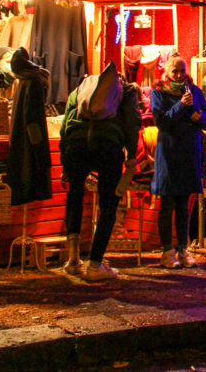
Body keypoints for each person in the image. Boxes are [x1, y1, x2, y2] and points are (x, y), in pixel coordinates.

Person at [60, 63, 142, 281]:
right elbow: (133, 123)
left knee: (74, 196)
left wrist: (64, 162)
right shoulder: (125, 91)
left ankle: (72, 260)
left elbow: (65, 124)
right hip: (107, 146)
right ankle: (95, 265)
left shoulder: (79, 90)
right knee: (108, 204)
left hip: (75, 145)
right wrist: (132, 156)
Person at [151, 56, 206, 269]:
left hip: (189, 153)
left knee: (184, 205)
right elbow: (161, 122)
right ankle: (167, 251)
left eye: (182, 71)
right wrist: (180, 106)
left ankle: (183, 249)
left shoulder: (195, 92)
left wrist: (199, 118)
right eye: (175, 71)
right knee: (167, 203)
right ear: (166, 72)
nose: (179, 75)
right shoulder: (158, 92)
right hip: (169, 153)